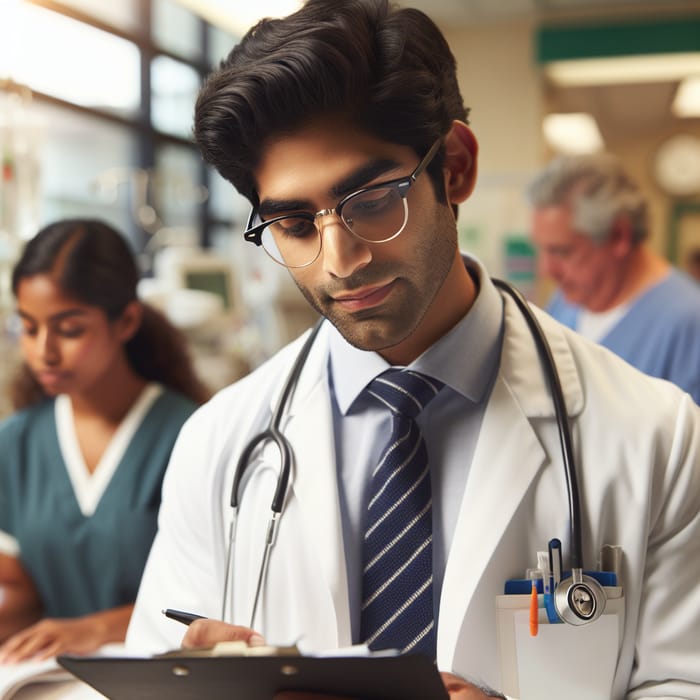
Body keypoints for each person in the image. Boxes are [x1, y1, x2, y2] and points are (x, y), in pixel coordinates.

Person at [126, 1, 700, 698]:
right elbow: (159, 676)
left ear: (454, 169)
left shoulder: (656, 437)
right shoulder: (220, 443)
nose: (339, 260)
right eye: (294, 223)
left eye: (371, 199)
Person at [0, 218, 210, 663]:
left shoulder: (193, 435)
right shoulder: (17, 440)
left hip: (169, 678)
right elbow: (19, 591)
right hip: (53, 681)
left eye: (69, 329)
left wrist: (95, 629)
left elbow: (219, 598)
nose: (44, 351)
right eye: (29, 328)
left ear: (126, 321)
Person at [527, 152, 700, 404]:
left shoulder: (688, 323)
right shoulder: (564, 303)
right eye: (541, 250)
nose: (546, 271)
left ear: (619, 236)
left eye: (562, 252)